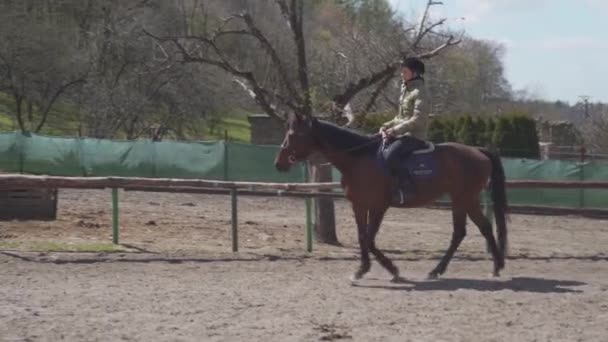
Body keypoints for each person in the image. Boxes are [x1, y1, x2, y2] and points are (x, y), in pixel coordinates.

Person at [379, 57, 430, 204]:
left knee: (389, 156)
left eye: (404, 71)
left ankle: (407, 189)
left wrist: (395, 130)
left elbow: (418, 120)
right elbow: (400, 117)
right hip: (402, 134)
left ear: (414, 73)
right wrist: (386, 126)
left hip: (414, 136)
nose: (401, 74)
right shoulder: (405, 89)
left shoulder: (421, 92)